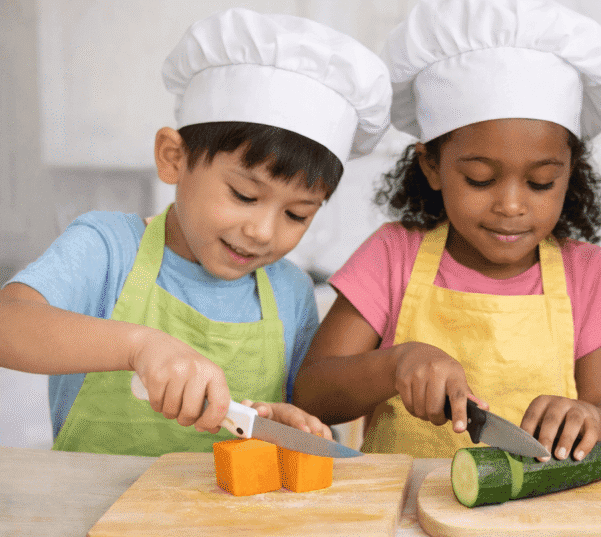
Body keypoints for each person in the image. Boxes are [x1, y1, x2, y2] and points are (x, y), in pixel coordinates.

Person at [0, 8, 392, 456]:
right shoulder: (108, 249)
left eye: (297, 215)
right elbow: (8, 324)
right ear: (173, 158)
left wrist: (293, 426)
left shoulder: (290, 292)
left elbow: (301, 416)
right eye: (245, 195)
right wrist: (138, 345)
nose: (263, 231)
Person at [294, 0, 601, 461]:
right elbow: (312, 393)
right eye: (480, 179)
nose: (511, 205)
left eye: (542, 182)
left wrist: (592, 420)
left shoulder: (590, 274)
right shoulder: (393, 255)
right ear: (432, 165)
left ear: (570, 171)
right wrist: (396, 365)